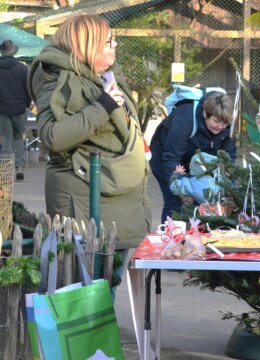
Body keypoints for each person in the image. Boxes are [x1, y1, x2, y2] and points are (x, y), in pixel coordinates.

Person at [28, 14, 151, 291]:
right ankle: (89, 334)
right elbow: (52, 137)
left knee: (107, 280)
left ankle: (98, 331)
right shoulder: (55, 77)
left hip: (114, 191)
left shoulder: (98, 76)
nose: (115, 45)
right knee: (84, 285)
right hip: (85, 195)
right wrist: (102, 106)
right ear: (88, 46)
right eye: (108, 41)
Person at [150, 92, 236, 222]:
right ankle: (170, 237)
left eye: (224, 123)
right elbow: (171, 157)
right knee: (175, 203)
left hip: (195, 161)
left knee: (204, 202)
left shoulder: (225, 124)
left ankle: (197, 238)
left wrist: (227, 183)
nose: (220, 127)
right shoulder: (184, 120)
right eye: (216, 121)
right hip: (166, 158)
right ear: (205, 113)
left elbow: (229, 157)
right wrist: (179, 190)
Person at [0, 39, 32, 180]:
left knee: (6, 138)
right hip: (19, 109)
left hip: (2, 110)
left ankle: (6, 170)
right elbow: (27, 89)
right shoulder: (22, 68)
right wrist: (27, 103)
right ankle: (19, 167)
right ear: (13, 52)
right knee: (18, 137)